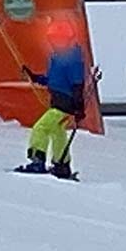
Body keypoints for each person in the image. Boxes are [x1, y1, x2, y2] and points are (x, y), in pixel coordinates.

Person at [16, 20, 87, 179]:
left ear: (69, 39)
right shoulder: (58, 57)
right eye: (53, 39)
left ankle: (37, 161)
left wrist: (78, 106)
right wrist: (36, 78)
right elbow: (54, 80)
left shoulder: (72, 59)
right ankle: (62, 165)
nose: (56, 43)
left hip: (64, 104)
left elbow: (77, 83)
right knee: (57, 132)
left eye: (60, 39)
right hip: (59, 102)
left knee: (40, 128)